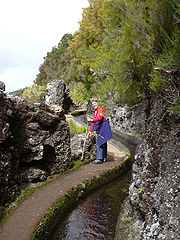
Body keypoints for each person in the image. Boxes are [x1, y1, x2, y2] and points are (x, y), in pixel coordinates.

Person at [87, 98, 112, 164]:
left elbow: (99, 118)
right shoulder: (96, 110)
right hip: (102, 128)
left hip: (103, 128)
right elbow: (94, 121)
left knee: (99, 142)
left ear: (98, 103)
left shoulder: (100, 109)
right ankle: (104, 157)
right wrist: (90, 131)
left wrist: (91, 120)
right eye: (93, 104)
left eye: (95, 103)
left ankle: (99, 159)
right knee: (103, 142)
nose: (94, 105)